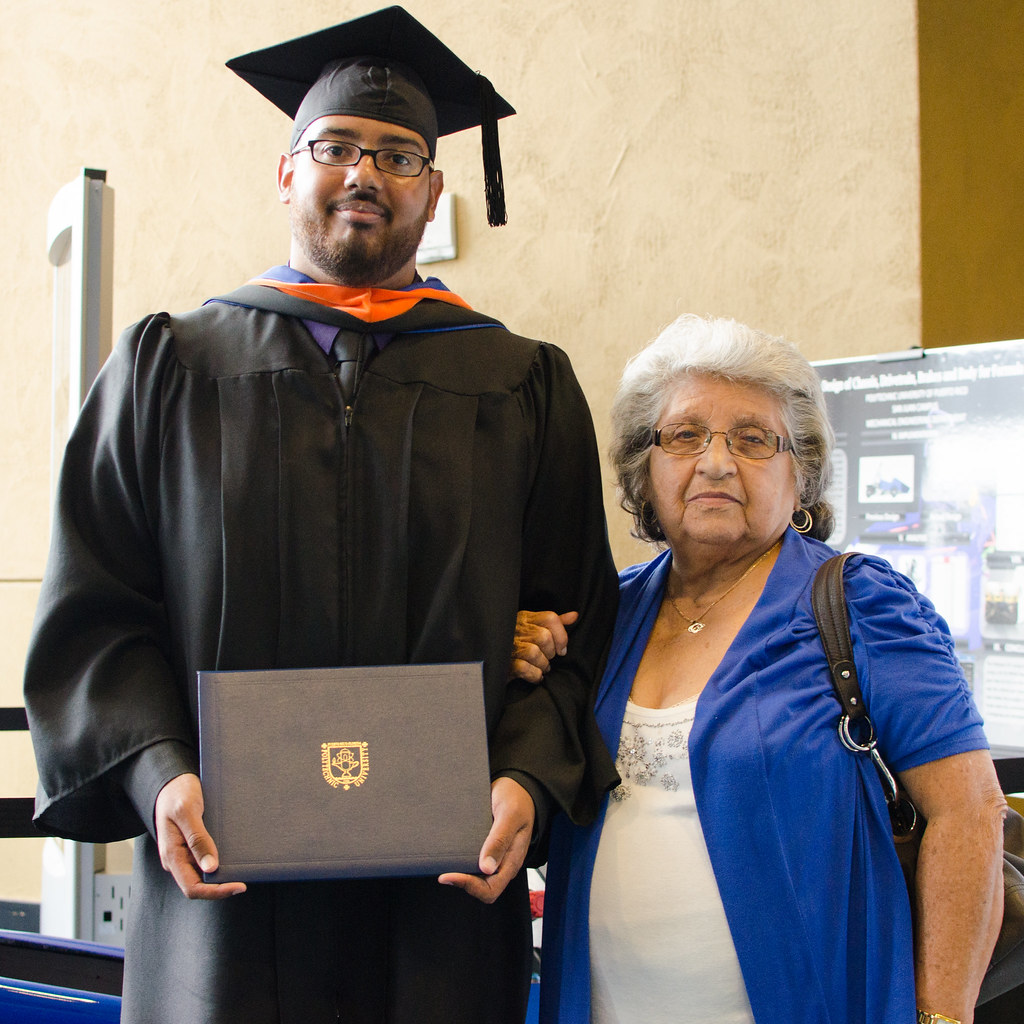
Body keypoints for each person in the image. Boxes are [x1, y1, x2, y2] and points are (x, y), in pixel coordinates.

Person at [23, 8, 618, 1023]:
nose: (365, 174)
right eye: (335, 146)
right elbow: (97, 612)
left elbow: (569, 620)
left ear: (433, 190)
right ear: (287, 172)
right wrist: (159, 774)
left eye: (398, 155)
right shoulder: (169, 368)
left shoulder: (521, 382)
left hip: (442, 884)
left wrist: (523, 776)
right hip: (225, 883)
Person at [514, 314, 1007, 1024]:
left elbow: (969, 813)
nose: (716, 462)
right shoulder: (609, 612)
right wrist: (520, 650)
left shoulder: (860, 603)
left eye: (752, 439)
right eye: (685, 435)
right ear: (642, 468)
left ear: (799, 472)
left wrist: (941, 1016)